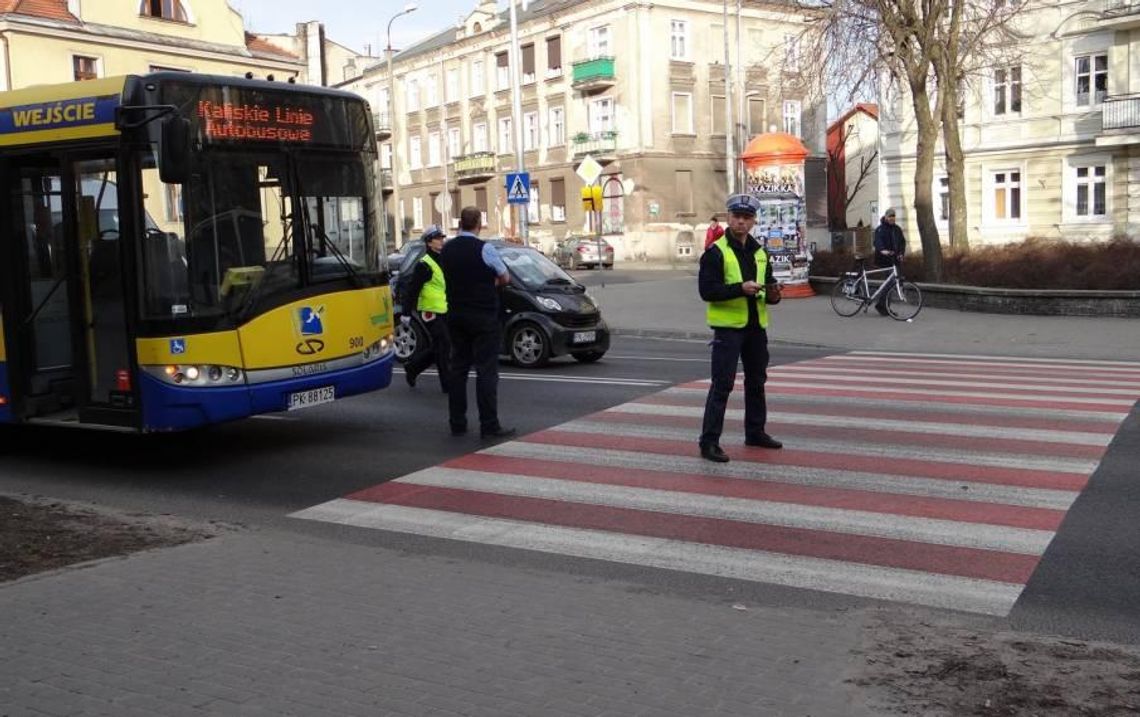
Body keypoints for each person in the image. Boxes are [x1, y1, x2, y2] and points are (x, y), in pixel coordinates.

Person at [697, 193, 783, 463]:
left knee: (757, 382)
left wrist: (774, 293)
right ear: (728, 218)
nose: (741, 223)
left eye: (747, 218)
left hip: (756, 327)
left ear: (754, 221)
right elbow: (707, 291)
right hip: (728, 329)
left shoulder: (760, 252)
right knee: (722, 386)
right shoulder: (716, 252)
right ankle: (709, 442)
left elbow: (768, 284)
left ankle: (755, 432)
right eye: (736, 217)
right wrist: (740, 289)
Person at [438, 206, 515, 439]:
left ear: (460, 224)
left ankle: (457, 422)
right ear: (479, 224)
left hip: (456, 315)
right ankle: (489, 425)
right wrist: (488, 284)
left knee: (458, 369)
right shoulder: (485, 248)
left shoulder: (447, 249)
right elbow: (505, 277)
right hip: (483, 317)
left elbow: (448, 275)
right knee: (486, 371)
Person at [402, 225, 450, 393]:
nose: (442, 241)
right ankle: (447, 384)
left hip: (443, 309)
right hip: (429, 312)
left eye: (442, 238)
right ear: (429, 243)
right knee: (443, 345)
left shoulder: (442, 258)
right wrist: (406, 312)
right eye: (438, 238)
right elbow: (412, 289)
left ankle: (412, 368)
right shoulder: (424, 264)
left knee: (440, 346)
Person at [873, 207, 906, 316]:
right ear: (886, 217)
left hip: (895, 259)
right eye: (890, 216)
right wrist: (883, 250)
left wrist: (901, 253)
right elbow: (877, 241)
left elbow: (902, 242)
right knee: (890, 282)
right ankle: (883, 306)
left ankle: (883, 305)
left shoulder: (897, 229)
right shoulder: (880, 229)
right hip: (884, 260)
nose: (892, 218)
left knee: (896, 281)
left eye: (893, 216)